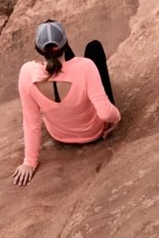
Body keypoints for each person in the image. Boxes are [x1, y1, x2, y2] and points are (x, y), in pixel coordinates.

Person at [13, 19, 120, 186]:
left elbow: (31, 122)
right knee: (94, 47)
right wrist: (116, 119)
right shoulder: (86, 66)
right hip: (93, 132)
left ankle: (54, 56)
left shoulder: (27, 73)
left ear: (38, 49)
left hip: (60, 134)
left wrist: (29, 162)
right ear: (65, 43)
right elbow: (106, 113)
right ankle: (63, 54)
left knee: (61, 62)